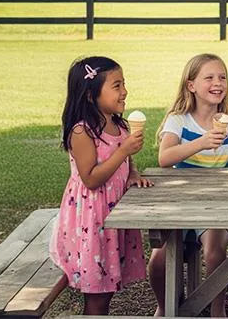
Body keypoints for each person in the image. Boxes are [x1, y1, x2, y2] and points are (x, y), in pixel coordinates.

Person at [148, 54, 228, 317]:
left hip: (218, 205)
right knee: (158, 260)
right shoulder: (179, 120)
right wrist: (201, 143)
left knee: (214, 251)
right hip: (182, 204)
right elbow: (164, 158)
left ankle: (218, 309)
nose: (218, 83)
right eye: (210, 77)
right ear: (191, 85)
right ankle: (165, 306)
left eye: (223, 77)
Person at [49, 56, 151, 316]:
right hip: (92, 221)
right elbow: (91, 178)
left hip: (112, 218)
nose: (124, 91)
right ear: (91, 96)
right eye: (116, 86)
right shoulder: (82, 132)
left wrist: (133, 175)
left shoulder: (119, 125)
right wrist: (123, 151)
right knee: (97, 295)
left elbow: (127, 161)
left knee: (106, 291)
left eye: (124, 83)